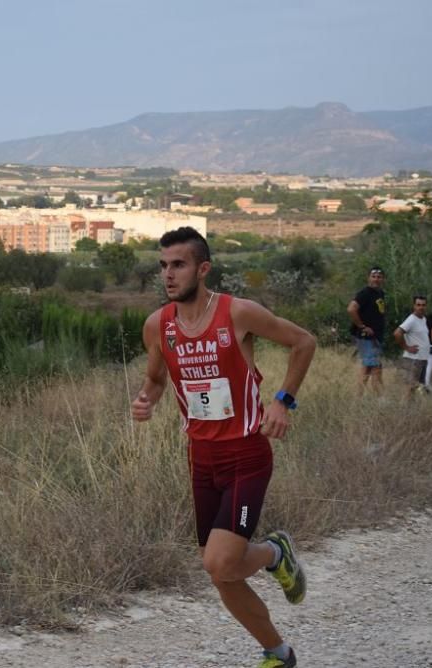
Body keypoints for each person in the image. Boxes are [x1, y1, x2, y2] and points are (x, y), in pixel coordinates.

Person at [131, 227, 315, 668]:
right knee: (220, 572)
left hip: (246, 454)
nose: (168, 275)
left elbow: (303, 342)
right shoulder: (158, 325)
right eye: (163, 266)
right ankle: (278, 652)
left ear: (203, 268)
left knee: (221, 560)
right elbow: (156, 378)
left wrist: (282, 401)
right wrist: (147, 399)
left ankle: (275, 553)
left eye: (178, 265)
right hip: (200, 457)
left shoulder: (238, 313)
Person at [347, 267, 387, 394]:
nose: (376, 279)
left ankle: (362, 397)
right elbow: (351, 309)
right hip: (366, 336)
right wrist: (362, 326)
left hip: (376, 336)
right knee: (372, 367)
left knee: (371, 367)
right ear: (368, 278)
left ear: (383, 279)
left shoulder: (380, 293)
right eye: (373, 276)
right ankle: (377, 398)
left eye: (379, 277)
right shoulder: (365, 293)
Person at [394, 296, 431, 399]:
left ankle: (411, 411)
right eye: (418, 305)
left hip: (422, 359)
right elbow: (397, 333)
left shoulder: (423, 319)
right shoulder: (411, 320)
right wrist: (406, 347)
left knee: (417, 388)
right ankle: (404, 411)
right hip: (413, 359)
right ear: (414, 306)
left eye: (423, 305)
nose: (421, 307)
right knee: (409, 387)